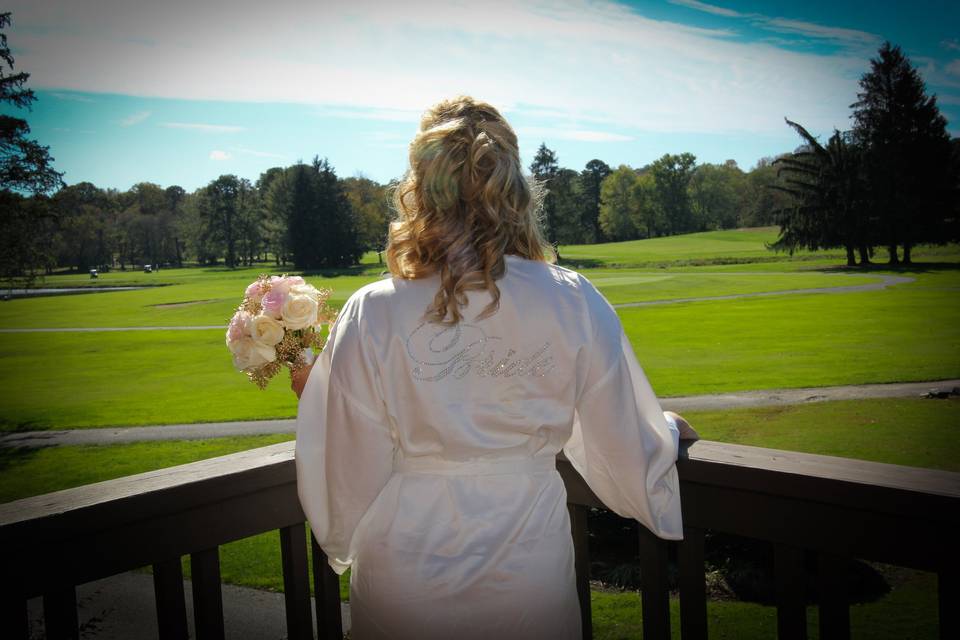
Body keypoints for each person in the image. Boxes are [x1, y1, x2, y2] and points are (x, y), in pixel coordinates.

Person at [292, 96, 698, 640]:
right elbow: (624, 444)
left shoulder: (373, 309)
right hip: (527, 574)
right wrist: (667, 433)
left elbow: (345, 467)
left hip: (403, 572)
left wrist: (341, 539)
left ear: (420, 186)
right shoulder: (571, 299)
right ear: (515, 188)